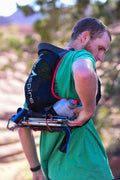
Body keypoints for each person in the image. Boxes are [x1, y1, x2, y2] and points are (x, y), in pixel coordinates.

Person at [18, 17, 114, 180]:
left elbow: (22, 126)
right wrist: (88, 110)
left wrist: (35, 170)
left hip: (55, 172)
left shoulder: (45, 72)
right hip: (89, 169)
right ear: (84, 37)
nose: (100, 57)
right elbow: (83, 72)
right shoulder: (80, 56)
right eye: (100, 48)